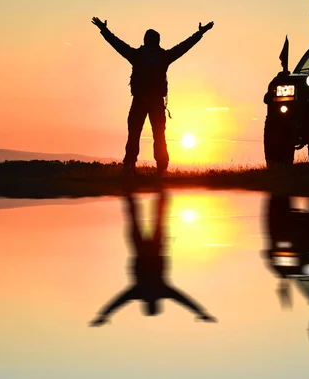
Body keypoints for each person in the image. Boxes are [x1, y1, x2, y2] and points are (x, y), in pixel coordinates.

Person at [91, 17, 214, 175]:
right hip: (155, 102)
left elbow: (117, 44)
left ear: (146, 41)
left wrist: (104, 30)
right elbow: (184, 47)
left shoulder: (137, 56)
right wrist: (199, 33)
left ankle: (130, 166)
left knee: (135, 133)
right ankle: (161, 168)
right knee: (158, 135)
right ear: (157, 42)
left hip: (141, 101)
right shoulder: (163, 57)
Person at [89, 192, 217, 326]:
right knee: (139, 220)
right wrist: (103, 315)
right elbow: (118, 302)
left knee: (158, 220)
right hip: (143, 251)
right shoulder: (140, 293)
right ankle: (133, 191)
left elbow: (184, 300)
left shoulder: (159, 291)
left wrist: (201, 313)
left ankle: (154, 188)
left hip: (152, 251)